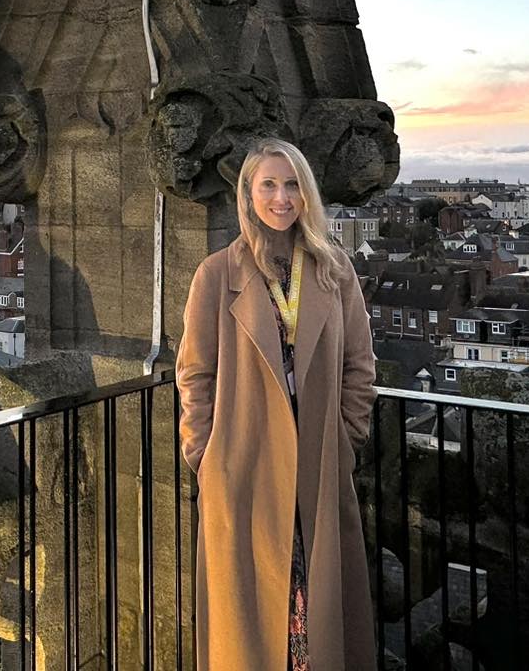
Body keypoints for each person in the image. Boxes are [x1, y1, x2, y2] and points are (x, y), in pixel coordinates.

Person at [176, 137, 376, 670]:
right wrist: (205, 456)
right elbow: (195, 373)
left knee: (320, 613)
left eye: (292, 185)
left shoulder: (334, 271)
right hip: (243, 470)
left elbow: (360, 365)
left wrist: (345, 439)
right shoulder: (216, 275)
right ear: (247, 194)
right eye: (268, 184)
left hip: (317, 466)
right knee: (250, 627)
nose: (281, 198)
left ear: (306, 194)